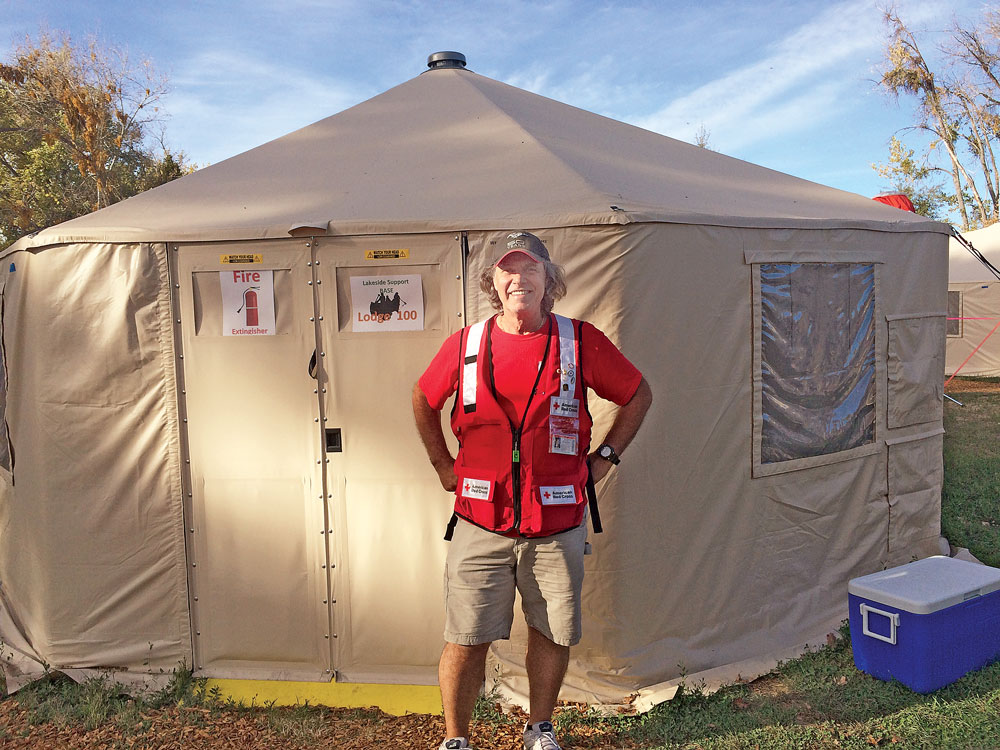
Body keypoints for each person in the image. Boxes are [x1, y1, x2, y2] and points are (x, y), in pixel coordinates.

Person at [412, 231, 652, 750]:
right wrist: (441, 464)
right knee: (466, 636)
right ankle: (456, 739)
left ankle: (539, 729)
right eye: (507, 272)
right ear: (493, 283)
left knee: (551, 631)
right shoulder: (466, 344)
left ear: (550, 281)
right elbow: (423, 397)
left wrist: (604, 459)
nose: (518, 279)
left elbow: (637, 394)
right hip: (480, 520)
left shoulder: (579, 341)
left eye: (530, 270)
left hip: (556, 524)